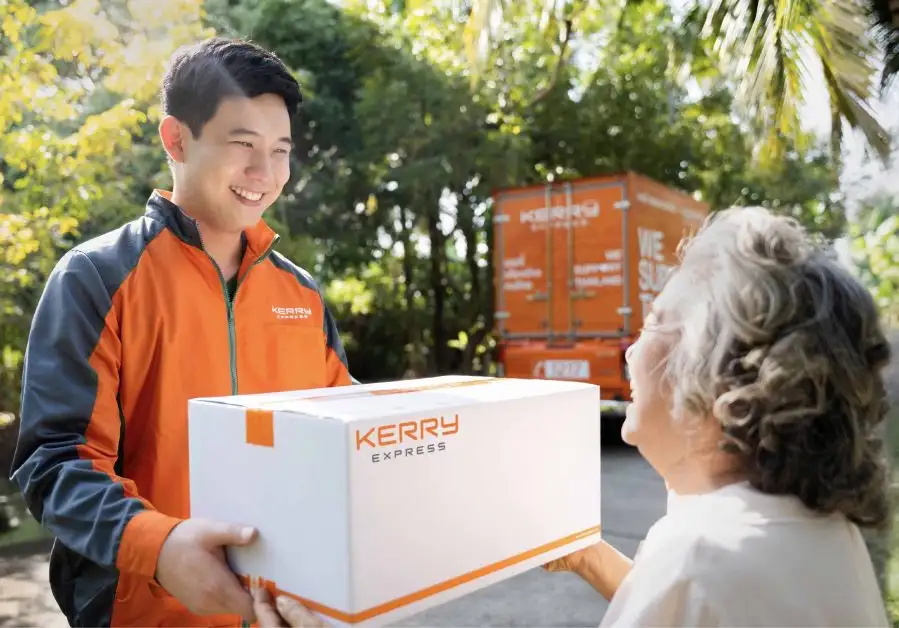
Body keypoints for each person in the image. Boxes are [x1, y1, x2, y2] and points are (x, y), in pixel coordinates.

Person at [252, 206, 893, 628]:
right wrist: (587, 557)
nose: (630, 351)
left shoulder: (701, 557)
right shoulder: (810, 531)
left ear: (716, 373)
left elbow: (694, 591)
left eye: (652, 325)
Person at [9, 37, 354, 628]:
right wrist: (161, 548)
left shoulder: (302, 295)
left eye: (280, 150)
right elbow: (56, 461)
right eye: (243, 145)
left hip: (289, 611)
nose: (265, 173)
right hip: (144, 614)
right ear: (176, 139)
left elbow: (344, 443)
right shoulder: (96, 277)